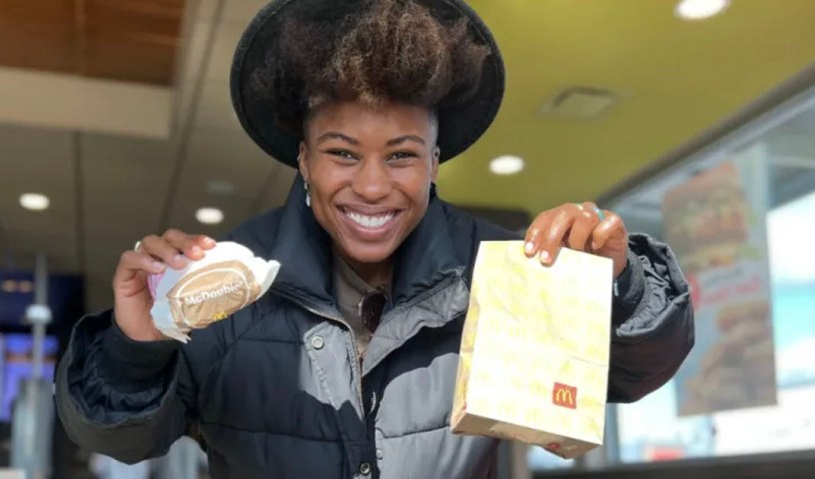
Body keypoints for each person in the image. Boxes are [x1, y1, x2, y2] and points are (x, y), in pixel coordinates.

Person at [55, 1, 694, 478]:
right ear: (303, 160)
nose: (371, 186)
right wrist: (136, 347)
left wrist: (622, 289)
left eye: (401, 155)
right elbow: (124, 440)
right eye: (341, 152)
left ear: (435, 163)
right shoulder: (223, 295)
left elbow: (633, 376)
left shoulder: (502, 276)